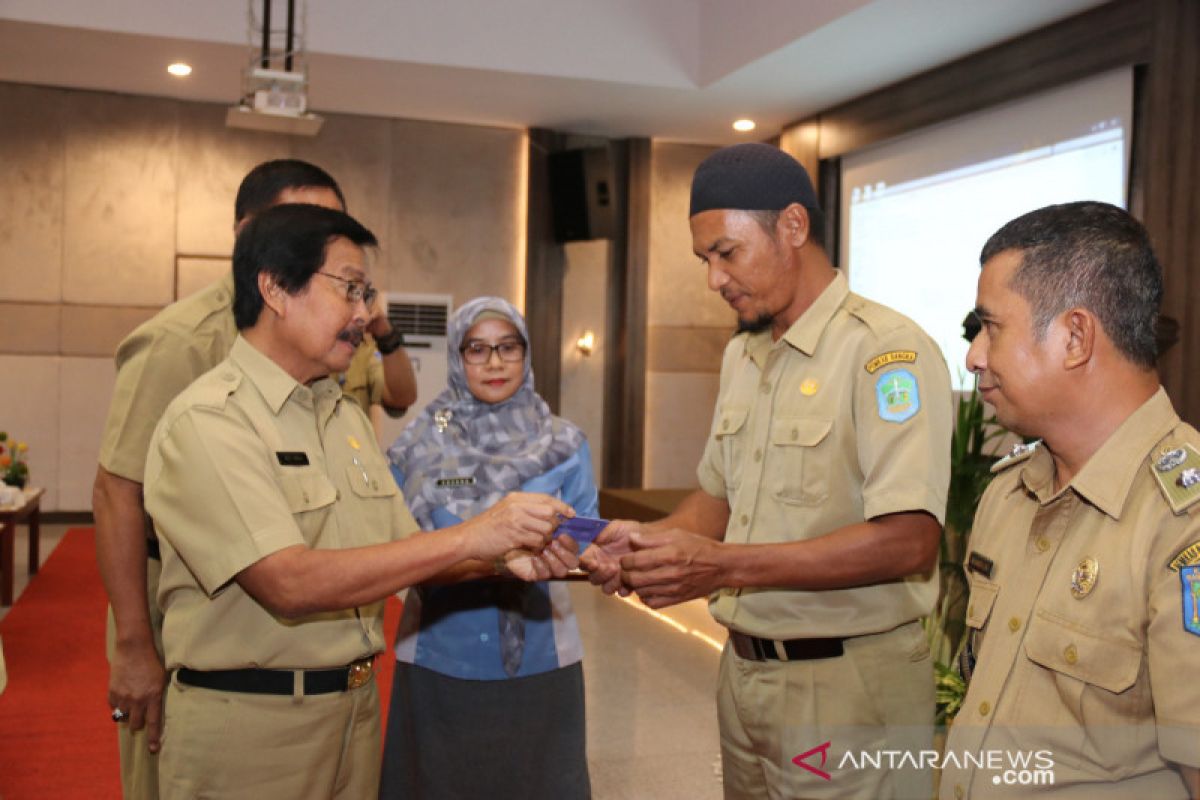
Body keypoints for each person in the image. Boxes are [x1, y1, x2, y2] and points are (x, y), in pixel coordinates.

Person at [143, 204, 576, 799]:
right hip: (253, 729)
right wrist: (475, 534)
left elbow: (409, 556)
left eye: (367, 293)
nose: (365, 313)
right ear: (274, 288)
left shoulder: (343, 417)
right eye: (350, 289)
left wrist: (504, 559)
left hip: (355, 714)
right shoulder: (211, 421)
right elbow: (287, 583)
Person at [589, 143, 952, 799]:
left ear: (792, 226)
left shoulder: (885, 353)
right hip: (747, 675)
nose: (713, 280)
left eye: (726, 253)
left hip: (846, 686)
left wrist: (722, 566)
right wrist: (650, 546)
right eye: (705, 260)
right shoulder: (745, 355)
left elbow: (909, 539)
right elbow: (716, 500)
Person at [92, 159, 416, 799]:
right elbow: (116, 490)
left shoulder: (328, 358)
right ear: (251, 239)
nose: (359, 307)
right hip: (198, 609)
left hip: (332, 653)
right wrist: (134, 644)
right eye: (299, 222)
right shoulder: (181, 343)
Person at [939, 202, 1200, 798]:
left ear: (1076, 336)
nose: (974, 354)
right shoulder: (1009, 494)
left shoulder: (1183, 522)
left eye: (991, 327)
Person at [379, 296, 595, 799]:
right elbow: (396, 552)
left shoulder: (565, 443)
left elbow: (584, 544)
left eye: (508, 348)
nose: (495, 362)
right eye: (477, 349)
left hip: (544, 661)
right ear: (457, 357)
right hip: (438, 659)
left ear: (526, 354)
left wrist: (591, 556)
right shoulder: (414, 448)